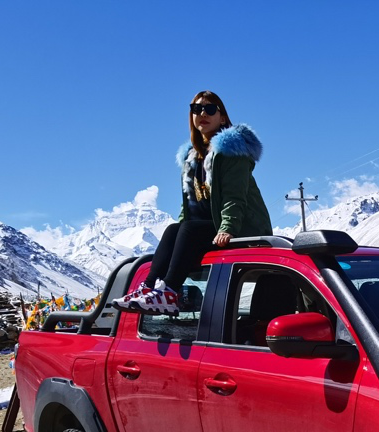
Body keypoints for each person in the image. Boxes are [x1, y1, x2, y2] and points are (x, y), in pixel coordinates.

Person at [115, 91, 272, 314]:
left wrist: (228, 227)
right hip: (208, 226)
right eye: (196, 109)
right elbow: (189, 204)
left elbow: (235, 196)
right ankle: (148, 288)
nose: (202, 114)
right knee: (174, 229)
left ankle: (169, 291)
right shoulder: (192, 157)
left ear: (223, 117)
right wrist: (179, 233)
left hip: (241, 226)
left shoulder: (231, 152)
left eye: (210, 109)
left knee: (187, 229)